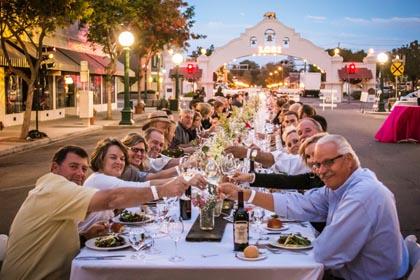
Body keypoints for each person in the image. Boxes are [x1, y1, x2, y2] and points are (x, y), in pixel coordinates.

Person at [219, 134, 409, 279]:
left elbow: (326, 254)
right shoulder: (346, 184)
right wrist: (243, 194)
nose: (321, 171)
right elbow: (302, 203)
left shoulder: (362, 196)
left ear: (349, 160)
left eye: (328, 162)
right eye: (317, 165)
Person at [1, 145, 192, 280]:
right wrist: (164, 190)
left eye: (83, 169)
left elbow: (49, 237)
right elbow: (111, 199)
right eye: (73, 166)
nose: (80, 174)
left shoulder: (58, 190)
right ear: (54, 167)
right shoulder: (53, 187)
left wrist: (84, 237)